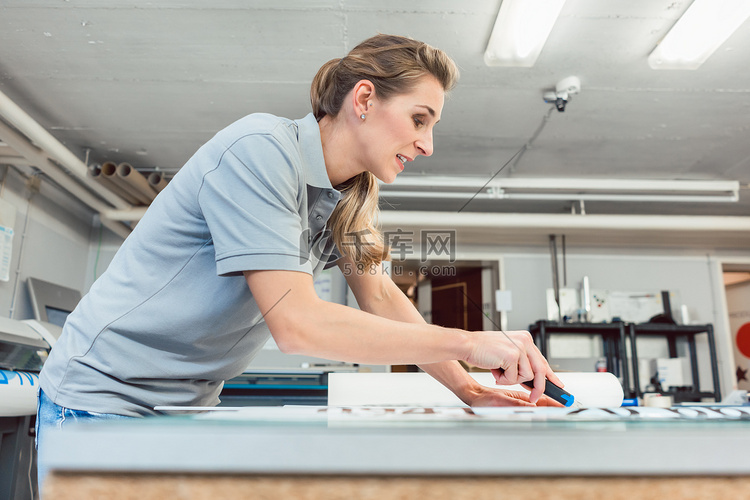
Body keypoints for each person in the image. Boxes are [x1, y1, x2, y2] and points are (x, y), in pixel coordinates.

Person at [36, 33, 563, 485]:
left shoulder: (349, 199)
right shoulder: (258, 152)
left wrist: (470, 387)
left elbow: (379, 294)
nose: (427, 145)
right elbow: (296, 324)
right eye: (419, 119)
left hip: (185, 405)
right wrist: (472, 342)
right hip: (103, 397)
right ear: (363, 99)